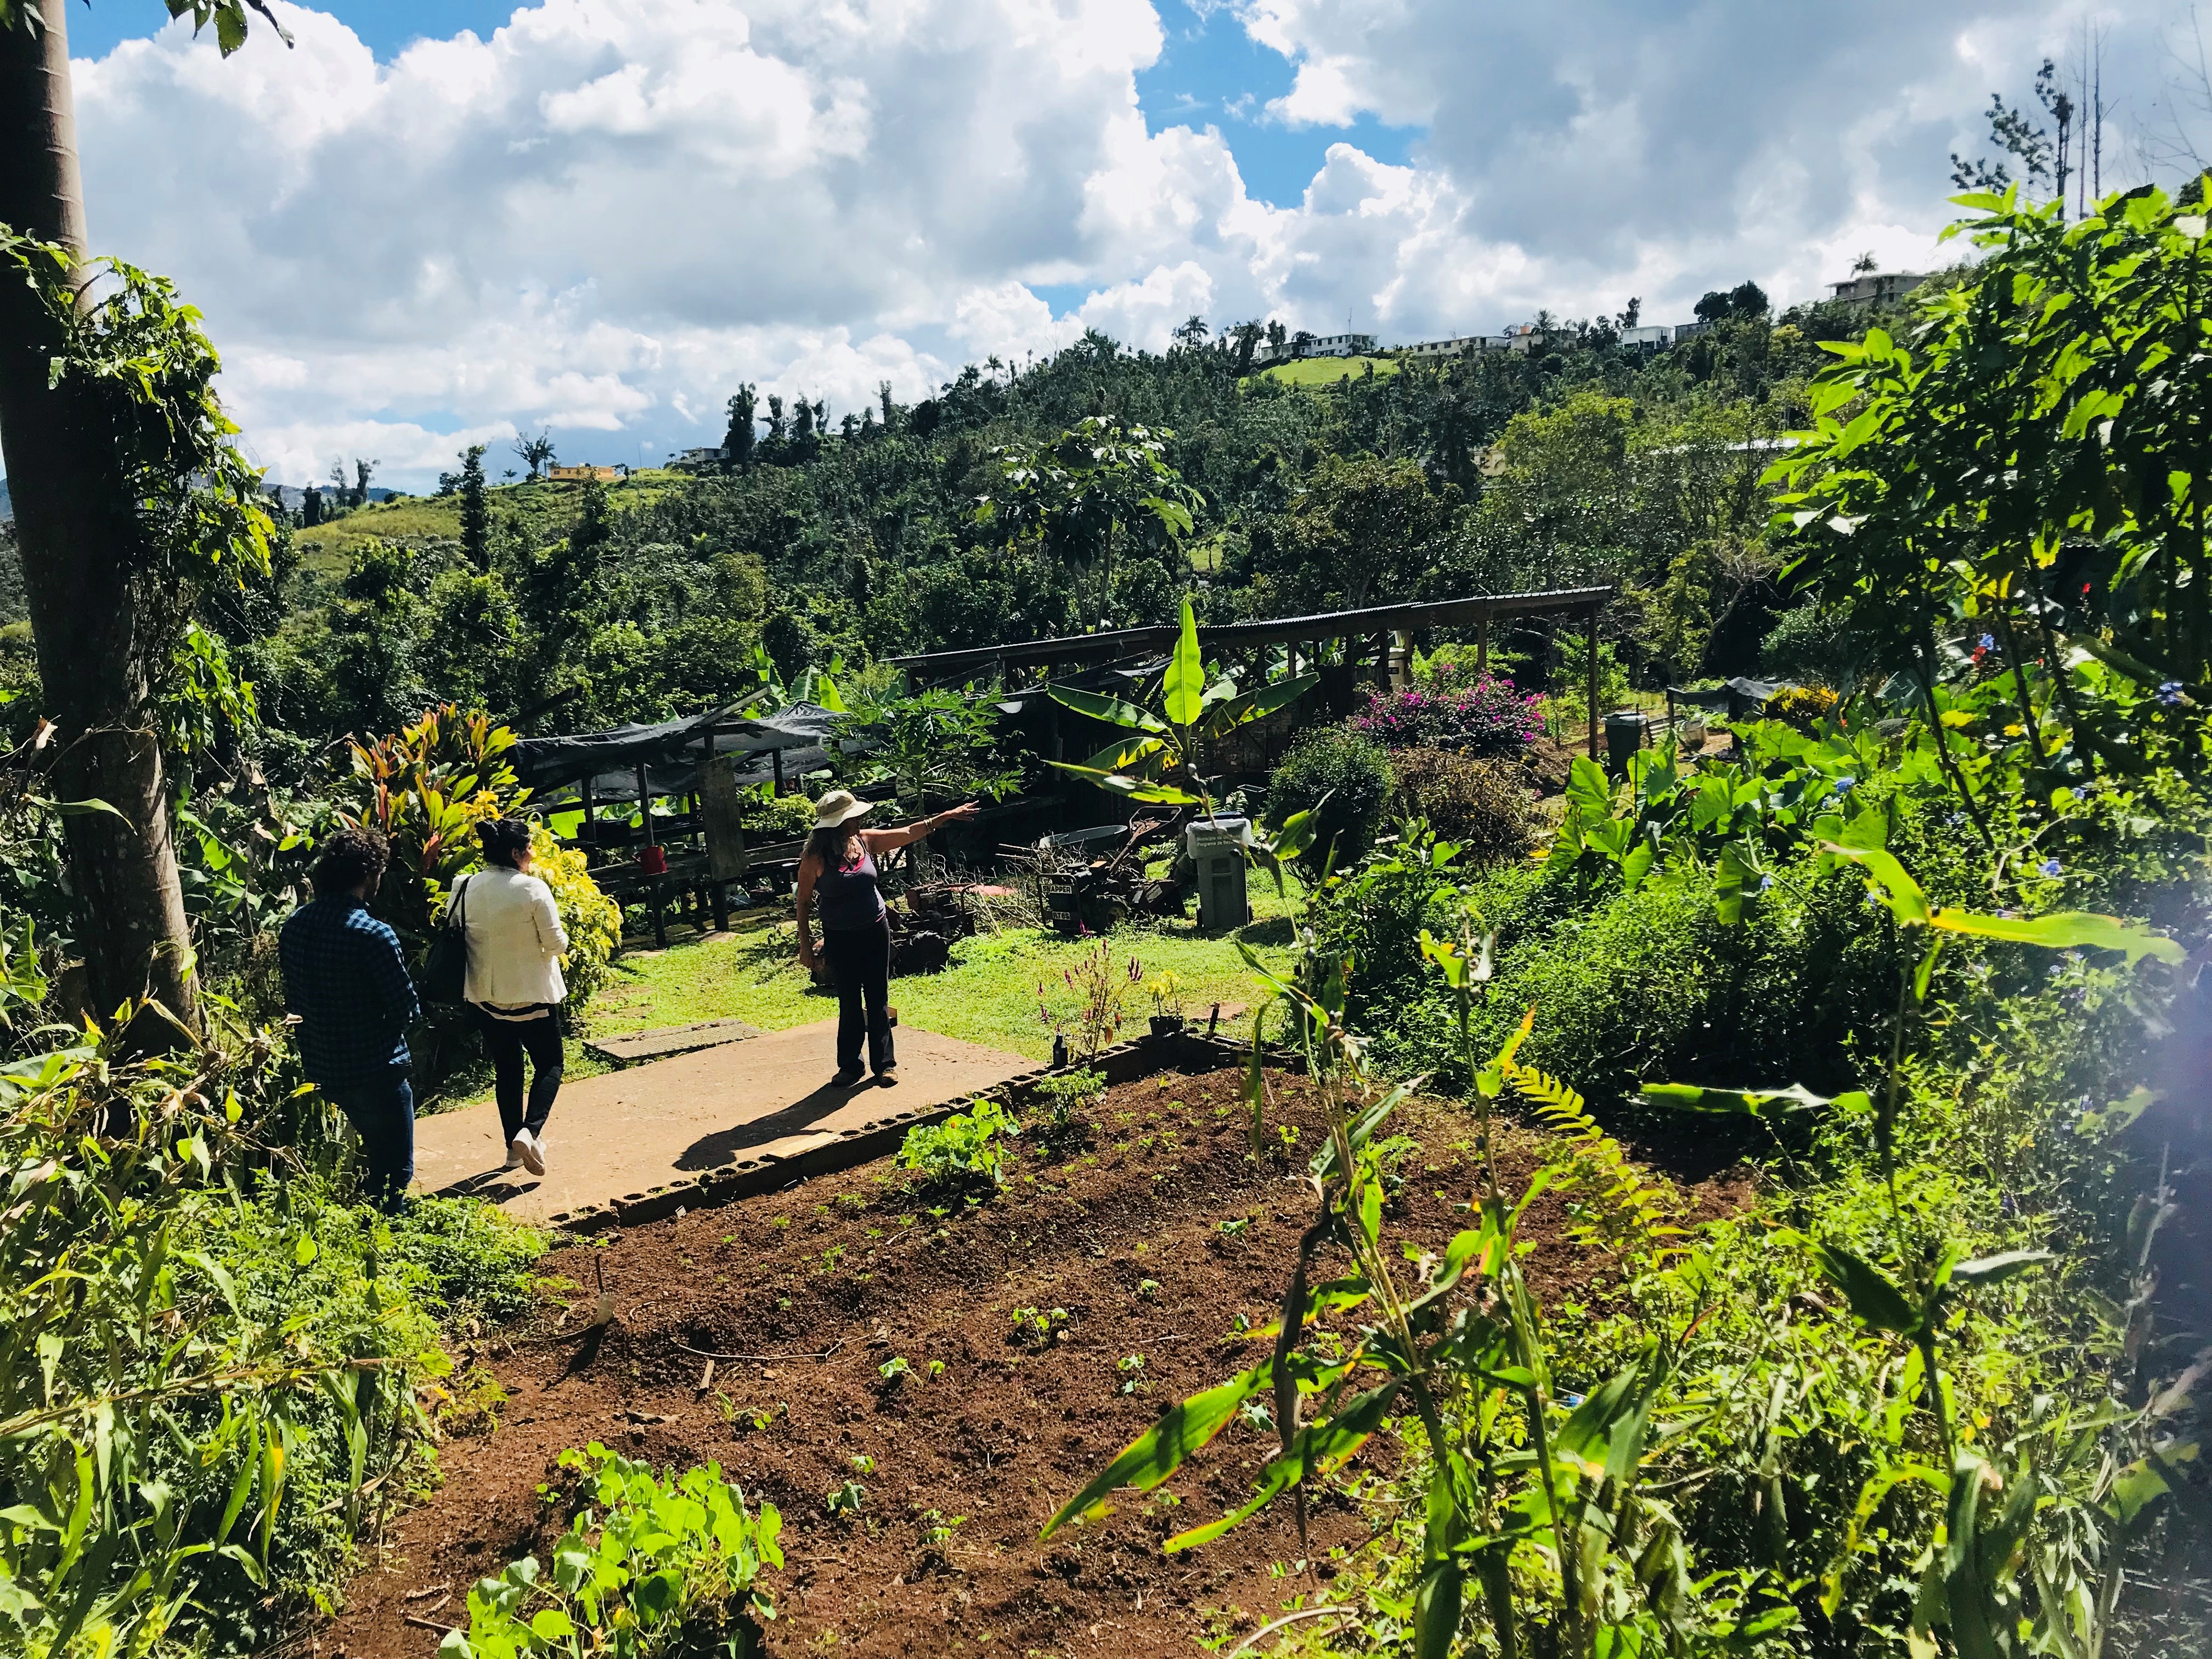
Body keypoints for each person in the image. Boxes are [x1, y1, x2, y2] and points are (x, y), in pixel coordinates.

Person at [279, 825, 420, 1212]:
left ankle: (362, 1226)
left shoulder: (294, 927)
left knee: (375, 1156)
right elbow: (407, 1009)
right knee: (395, 1171)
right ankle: (385, 1239)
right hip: (376, 1068)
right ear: (368, 875)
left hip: (325, 1068)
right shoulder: (374, 934)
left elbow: (295, 997)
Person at [794, 789, 978, 1087]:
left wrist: (944, 817)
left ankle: (885, 1064)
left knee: (878, 997)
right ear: (838, 824)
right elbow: (802, 903)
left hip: (875, 930)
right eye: (853, 818)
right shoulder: (815, 856)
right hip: (840, 938)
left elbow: (907, 832)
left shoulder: (864, 841)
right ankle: (850, 1067)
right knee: (849, 1001)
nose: (859, 821)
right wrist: (805, 946)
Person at [459, 817, 571, 1176]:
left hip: (486, 1000)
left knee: (507, 1071)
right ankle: (530, 1131)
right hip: (533, 997)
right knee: (551, 1064)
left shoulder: (464, 887)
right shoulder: (532, 889)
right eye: (528, 847)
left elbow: (457, 933)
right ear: (515, 853)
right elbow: (555, 944)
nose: (533, 853)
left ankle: (512, 1150)